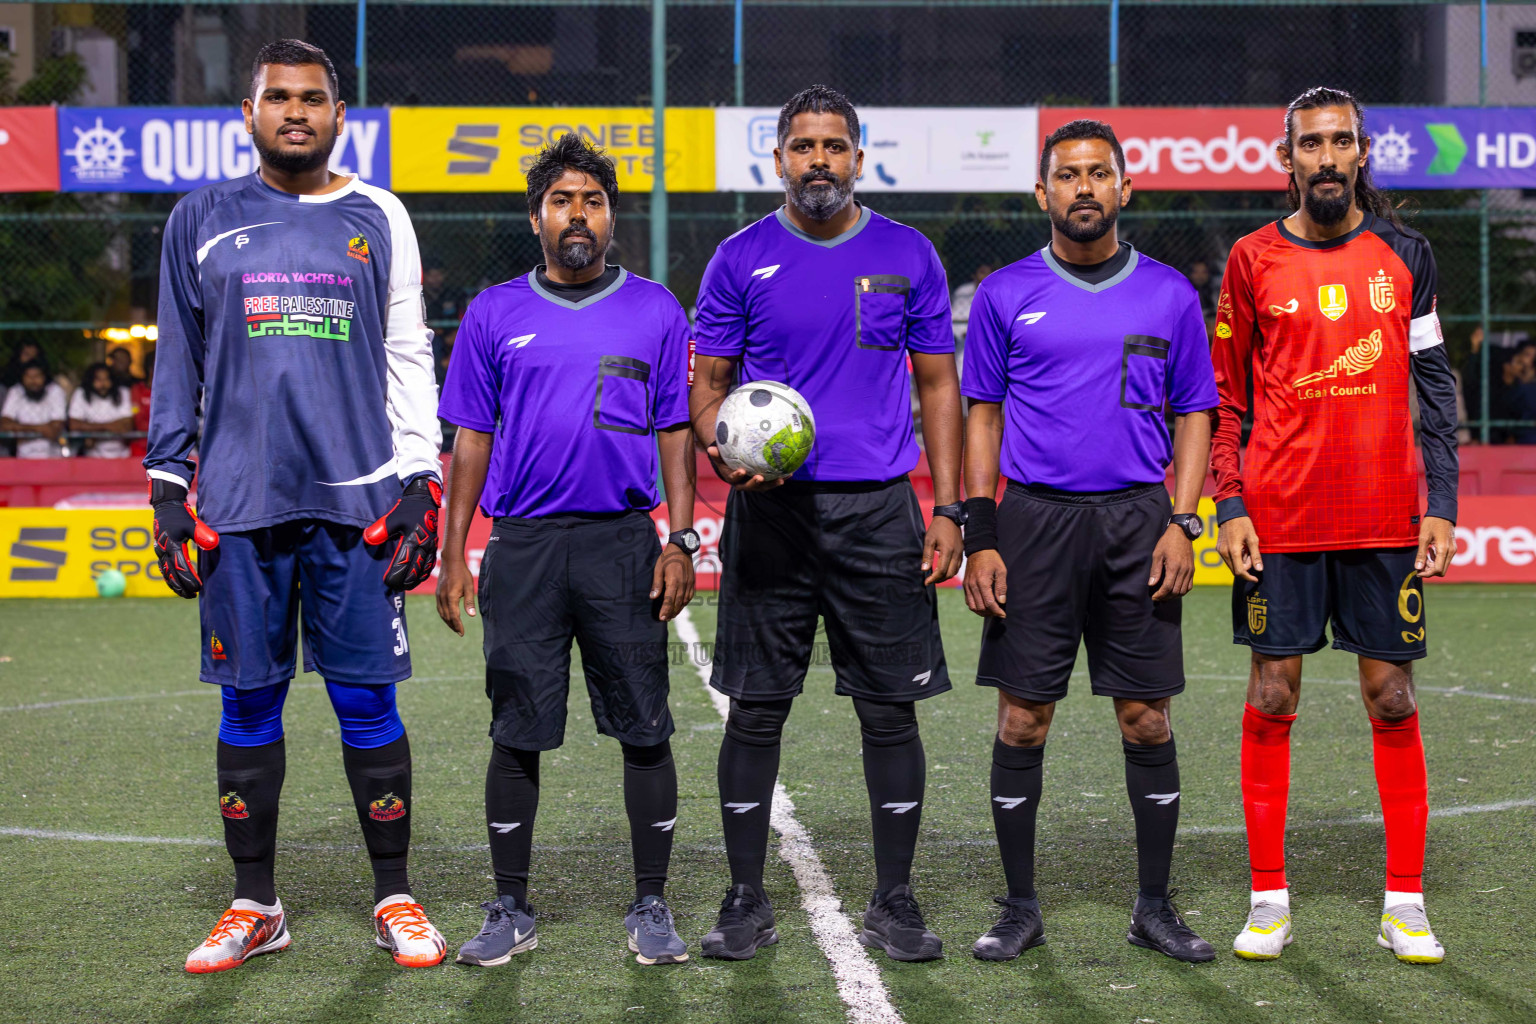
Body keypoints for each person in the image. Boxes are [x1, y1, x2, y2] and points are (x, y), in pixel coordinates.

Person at [146, 39, 448, 975]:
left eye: (313, 98)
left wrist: (422, 481)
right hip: (238, 503)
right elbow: (178, 362)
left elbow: (408, 353)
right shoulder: (200, 217)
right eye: (277, 97)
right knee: (249, 704)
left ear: (337, 115)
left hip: (355, 501)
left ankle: (394, 895)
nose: (295, 112)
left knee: (367, 702)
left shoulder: (379, 215)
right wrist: (166, 486)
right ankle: (255, 904)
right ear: (249, 113)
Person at [690, 84, 964, 963]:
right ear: (778, 160)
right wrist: (719, 449)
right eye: (803, 147)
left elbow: (938, 389)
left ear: (858, 156)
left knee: (890, 713)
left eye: (834, 147)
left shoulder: (909, 253)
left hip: (879, 512)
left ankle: (896, 900)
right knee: (756, 711)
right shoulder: (738, 259)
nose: (819, 161)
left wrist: (951, 508)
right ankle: (743, 901)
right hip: (769, 511)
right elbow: (707, 384)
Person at [435, 134, 698, 968]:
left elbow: (677, 432)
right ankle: (510, 905)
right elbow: (470, 439)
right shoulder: (492, 312)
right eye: (561, 200)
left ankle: (651, 903)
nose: (577, 214)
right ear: (536, 216)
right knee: (516, 732)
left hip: (624, 545)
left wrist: (682, 539)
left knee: (644, 727)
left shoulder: (655, 308)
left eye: (591, 200)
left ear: (609, 216)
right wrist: (453, 556)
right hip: (524, 548)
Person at [960, 119, 1218, 965]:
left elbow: (1195, 415)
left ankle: (1153, 906)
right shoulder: (1004, 294)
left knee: (1146, 718)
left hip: (1140, 523)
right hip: (1034, 523)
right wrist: (982, 533)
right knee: (1023, 718)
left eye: (1098, 174)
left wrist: (1184, 522)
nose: (1083, 188)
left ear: (1124, 188)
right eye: (1067, 175)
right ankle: (1020, 907)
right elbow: (983, 417)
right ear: (1042, 193)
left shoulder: (1171, 295)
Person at [1211, 87, 1459, 965]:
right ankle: (1269, 900)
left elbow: (1434, 388)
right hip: (1278, 516)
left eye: (1339, 142)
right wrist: (1229, 503)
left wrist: (1443, 502)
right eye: (1310, 143)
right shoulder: (1249, 259)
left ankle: (1405, 903)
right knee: (1273, 692)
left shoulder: (1407, 254)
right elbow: (1228, 396)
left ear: (1360, 155)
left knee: (1391, 697)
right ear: (1288, 159)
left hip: (1385, 516)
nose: (1325, 157)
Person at [68, 362, 135, 458]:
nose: (103, 384)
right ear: (90, 380)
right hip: (92, 456)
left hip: (121, 454)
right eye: (98, 379)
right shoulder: (81, 393)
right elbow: (74, 424)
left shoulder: (123, 392)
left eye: (106, 379)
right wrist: (109, 426)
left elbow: (127, 425)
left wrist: (92, 430)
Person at [0, 361, 67, 458]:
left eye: (37, 376)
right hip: (23, 457)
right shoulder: (16, 391)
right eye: (28, 377)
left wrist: (19, 428)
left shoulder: (55, 391)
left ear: (44, 377)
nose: (33, 381)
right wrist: (40, 428)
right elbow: (4, 425)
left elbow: (54, 429)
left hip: (52, 457)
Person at [130, 350, 154, 459]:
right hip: (140, 444)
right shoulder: (137, 390)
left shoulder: (172, 391)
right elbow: (137, 418)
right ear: (149, 368)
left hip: (165, 444)